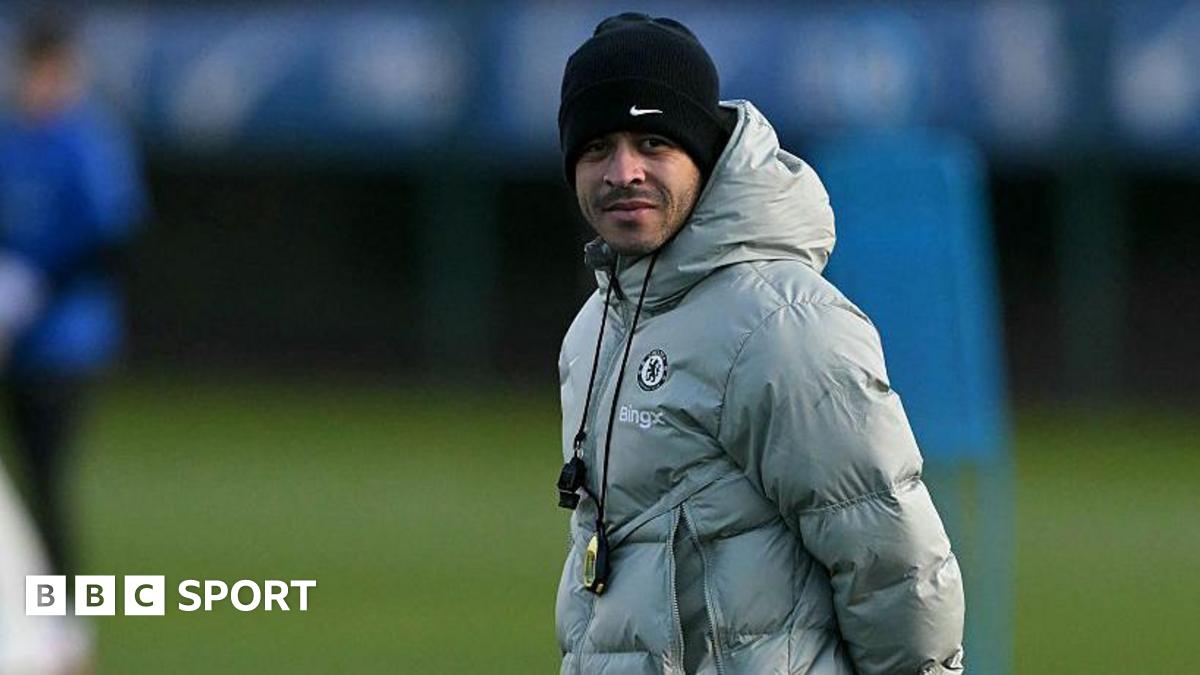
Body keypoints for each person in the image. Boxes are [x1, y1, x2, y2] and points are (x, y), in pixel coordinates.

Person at [553, 13, 964, 674]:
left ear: (703, 152)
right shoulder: (593, 329)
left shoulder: (783, 325)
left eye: (653, 141)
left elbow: (896, 566)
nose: (623, 170)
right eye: (598, 147)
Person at [0, 13, 146, 579]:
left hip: (65, 341)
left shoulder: (88, 142)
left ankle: (61, 612)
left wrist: (31, 291)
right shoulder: (12, 140)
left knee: (44, 478)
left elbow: (112, 240)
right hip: (12, 336)